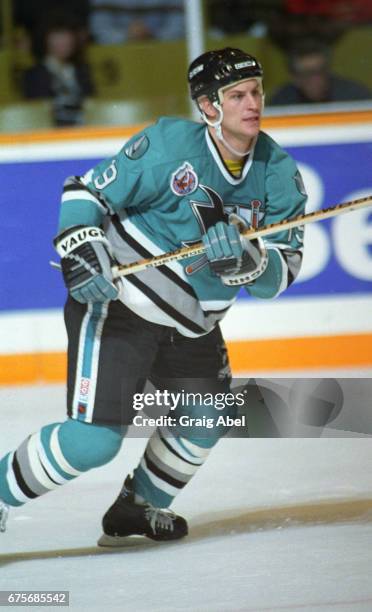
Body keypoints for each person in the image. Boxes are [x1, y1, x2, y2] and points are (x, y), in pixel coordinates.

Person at [0, 48, 306, 543]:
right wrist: (82, 247)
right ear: (208, 106)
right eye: (237, 95)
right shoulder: (167, 144)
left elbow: (280, 274)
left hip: (193, 325)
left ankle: (135, 508)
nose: (252, 104)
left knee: (208, 417)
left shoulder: (278, 172)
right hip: (122, 306)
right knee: (93, 442)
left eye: (256, 92)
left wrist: (251, 261)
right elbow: (86, 192)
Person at [21, 14, 95, 126]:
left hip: (84, 132)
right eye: (57, 35)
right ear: (45, 39)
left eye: (67, 35)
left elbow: (91, 104)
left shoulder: (81, 71)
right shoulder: (34, 74)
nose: (63, 41)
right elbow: (38, 112)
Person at [269, 39, 370, 106]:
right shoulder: (281, 103)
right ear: (295, 78)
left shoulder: (355, 97)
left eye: (320, 71)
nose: (316, 79)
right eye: (307, 74)